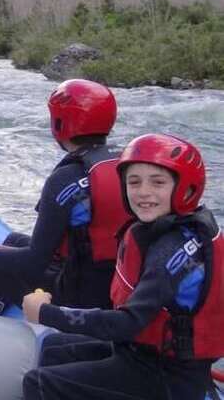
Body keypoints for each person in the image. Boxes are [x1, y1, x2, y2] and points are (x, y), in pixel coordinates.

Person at [22, 133, 222, 400]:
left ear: (186, 188)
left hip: (168, 378)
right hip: (143, 354)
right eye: (134, 182)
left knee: (38, 382)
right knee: (52, 348)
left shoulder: (170, 252)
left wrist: (45, 313)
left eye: (158, 182)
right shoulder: (171, 231)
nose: (143, 192)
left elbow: (126, 323)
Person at [0, 79, 129, 313]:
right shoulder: (126, 163)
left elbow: (33, 263)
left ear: (59, 123)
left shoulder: (65, 178)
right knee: (13, 241)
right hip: (112, 282)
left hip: (77, 295)